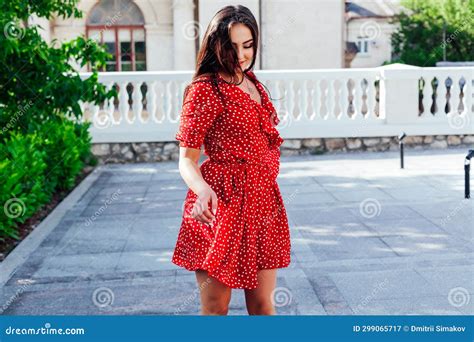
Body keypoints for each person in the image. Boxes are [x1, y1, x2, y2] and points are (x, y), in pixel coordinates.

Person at [171, 4, 291, 316]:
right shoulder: (205, 90)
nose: (241, 55)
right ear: (215, 45)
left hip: (262, 203)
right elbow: (186, 159)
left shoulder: (255, 84)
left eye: (248, 45)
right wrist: (202, 190)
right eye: (232, 46)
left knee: (263, 305)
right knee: (215, 307)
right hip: (219, 204)